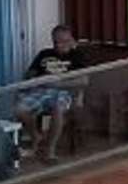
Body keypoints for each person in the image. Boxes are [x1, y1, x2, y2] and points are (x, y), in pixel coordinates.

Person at [19, 24, 82, 161]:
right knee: (20, 109)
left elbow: (84, 80)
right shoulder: (44, 54)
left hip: (64, 91)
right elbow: (28, 75)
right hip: (41, 90)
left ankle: (50, 150)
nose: (60, 45)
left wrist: (59, 83)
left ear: (70, 40)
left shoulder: (77, 56)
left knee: (58, 108)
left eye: (64, 41)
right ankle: (35, 136)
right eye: (56, 42)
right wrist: (39, 78)